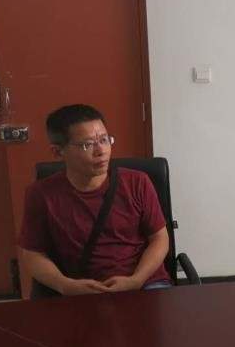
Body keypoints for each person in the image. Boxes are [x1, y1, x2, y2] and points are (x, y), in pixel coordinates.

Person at [19, 104, 171, 296]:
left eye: (104, 140)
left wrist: (136, 280)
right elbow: (33, 253)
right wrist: (64, 285)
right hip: (80, 289)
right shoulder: (41, 194)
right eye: (88, 144)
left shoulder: (137, 182)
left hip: (144, 283)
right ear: (57, 152)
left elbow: (159, 238)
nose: (101, 151)